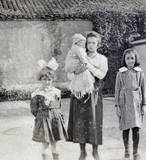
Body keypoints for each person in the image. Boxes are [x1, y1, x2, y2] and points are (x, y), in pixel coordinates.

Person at [66, 31, 108, 160]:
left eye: (93, 43)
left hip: (94, 94)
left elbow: (101, 75)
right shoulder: (79, 54)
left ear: (98, 44)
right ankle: (82, 151)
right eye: (88, 42)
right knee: (80, 121)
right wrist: (77, 70)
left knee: (94, 121)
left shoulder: (101, 59)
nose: (90, 45)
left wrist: (87, 65)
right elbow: (70, 74)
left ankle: (95, 151)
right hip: (79, 92)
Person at [30, 57, 68, 160]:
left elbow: (58, 106)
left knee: (55, 143)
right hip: (44, 120)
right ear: (40, 79)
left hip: (55, 120)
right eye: (44, 79)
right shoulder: (37, 93)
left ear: (52, 80)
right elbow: (34, 109)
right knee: (45, 144)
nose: (47, 82)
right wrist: (42, 117)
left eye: (49, 80)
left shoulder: (56, 92)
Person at [114, 48, 146, 160]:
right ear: (124, 60)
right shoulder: (120, 73)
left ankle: (135, 152)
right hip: (124, 104)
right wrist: (117, 106)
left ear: (135, 59)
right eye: (127, 58)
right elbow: (117, 90)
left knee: (136, 128)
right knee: (125, 128)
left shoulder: (139, 73)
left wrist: (144, 105)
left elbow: (144, 89)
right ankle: (127, 151)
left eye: (132, 58)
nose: (130, 61)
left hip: (136, 104)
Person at [65, 33, 96, 99]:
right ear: (76, 42)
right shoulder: (78, 49)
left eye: (84, 43)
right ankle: (81, 93)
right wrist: (85, 63)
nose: (83, 44)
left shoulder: (78, 49)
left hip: (78, 69)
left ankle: (81, 92)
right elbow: (82, 57)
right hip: (75, 65)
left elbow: (85, 57)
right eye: (81, 42)